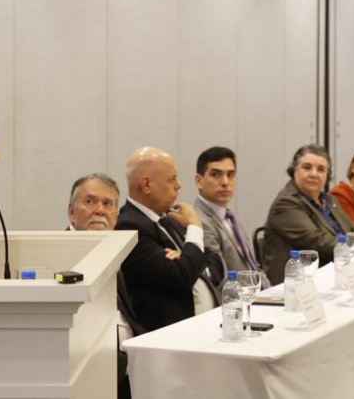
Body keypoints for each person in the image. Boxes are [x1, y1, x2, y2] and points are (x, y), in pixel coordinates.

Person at [115, 147, 223, 332]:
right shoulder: (130, 227)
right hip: (170, 336)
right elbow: (182, 276)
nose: (179, 185)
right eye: (172, 179)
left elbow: (215, 262)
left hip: (203, 327)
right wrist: (195, 227)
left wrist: (187, 257)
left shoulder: (167, 217)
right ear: (146, 184)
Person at [65, 174, 143, 399]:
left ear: (116, 216)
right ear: (71, 212)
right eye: (90, 202)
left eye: (108, 204)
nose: (100, 210)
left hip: (126, 369)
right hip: (89, 375)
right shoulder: (59, 258)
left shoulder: (113, 252)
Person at [263, 144, 354, 285]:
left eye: (321, 169)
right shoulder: (286, 204)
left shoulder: (328, 200)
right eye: (307, 167)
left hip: (335, 275)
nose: (314, 174)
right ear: (294, 170)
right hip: (300, 285)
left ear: (327, 175)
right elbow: (319, 242)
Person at [193, 146, 269, 288]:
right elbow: (221, 280)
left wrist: (271, 293)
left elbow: (252, 266)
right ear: (199, 181)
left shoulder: (228, 215)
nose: (225, 182)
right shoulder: (199, 221)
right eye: (216, 175)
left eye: (230, 175)